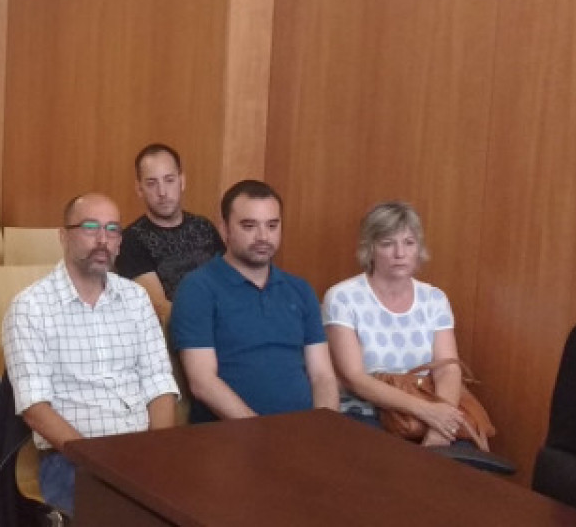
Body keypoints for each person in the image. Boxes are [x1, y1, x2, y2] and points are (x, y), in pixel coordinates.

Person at [3, 193, 178, 517]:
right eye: (90, 228)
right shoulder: (31, 307)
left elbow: (159, 383)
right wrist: (98, 462)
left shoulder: (136, 299)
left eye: (112, 229)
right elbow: (35, 409)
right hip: (71, 458)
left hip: (141, 449)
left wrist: (157, 451)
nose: (102, 240)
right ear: (63, 236)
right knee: (125, 514)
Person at [170, 179, 339, 423]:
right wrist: (262, 432)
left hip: (304, 431)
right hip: (232, 434)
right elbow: (202, 382)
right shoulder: (198, 288)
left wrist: (325, 426)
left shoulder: (300, 290)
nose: (263, 236)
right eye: (249, 226)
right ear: (224, 229)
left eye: (272, 225)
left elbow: (322, 376)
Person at [322, 201, 467, 447]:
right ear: (370, 249)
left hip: (427, 412)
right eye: (388, 243)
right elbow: (354, 378)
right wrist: (425, 411)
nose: (400, 253)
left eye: (409, 243)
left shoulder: (434, 299)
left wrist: (441, 424)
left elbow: (448, 368)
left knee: (465, 465)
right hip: (366, 413)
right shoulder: (342, 297)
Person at [114, 143, 225, 321]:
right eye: (152, 183)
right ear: (139, 189)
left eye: (169, 180)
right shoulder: (131, 240)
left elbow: (227, 282)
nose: (162, 192)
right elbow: (160, 308)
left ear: (182, 181)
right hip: (178, 330)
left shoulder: (204, 227)